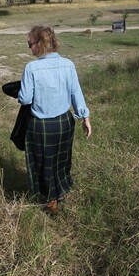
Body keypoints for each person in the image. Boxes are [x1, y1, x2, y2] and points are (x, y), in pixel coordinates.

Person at [18, 25, 92, 213]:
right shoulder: (68, 64)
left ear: (40, 44)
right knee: (62, 158)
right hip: (64, 123)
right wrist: (85, 117)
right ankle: (60, 191)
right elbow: (76, 92)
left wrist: (18, 93)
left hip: (41, 125)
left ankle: (51, 199)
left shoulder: (31, 68)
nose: (30, 48)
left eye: (30, 44)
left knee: (43, 161)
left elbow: (25, 99)